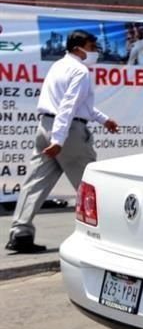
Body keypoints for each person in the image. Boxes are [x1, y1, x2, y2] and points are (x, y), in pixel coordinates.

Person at [6, 30, 120, 253]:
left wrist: (103, 119)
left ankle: (20, 233)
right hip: (68, 132)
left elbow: (74, 104)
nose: (95, 51)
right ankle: (106, 235)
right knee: (90, 184)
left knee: (35, 183)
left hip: (45, 128)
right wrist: (59, 139)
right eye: (92, 46)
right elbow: (68, 106)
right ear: (79, 47)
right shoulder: (80, 71)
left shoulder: (58, 66)